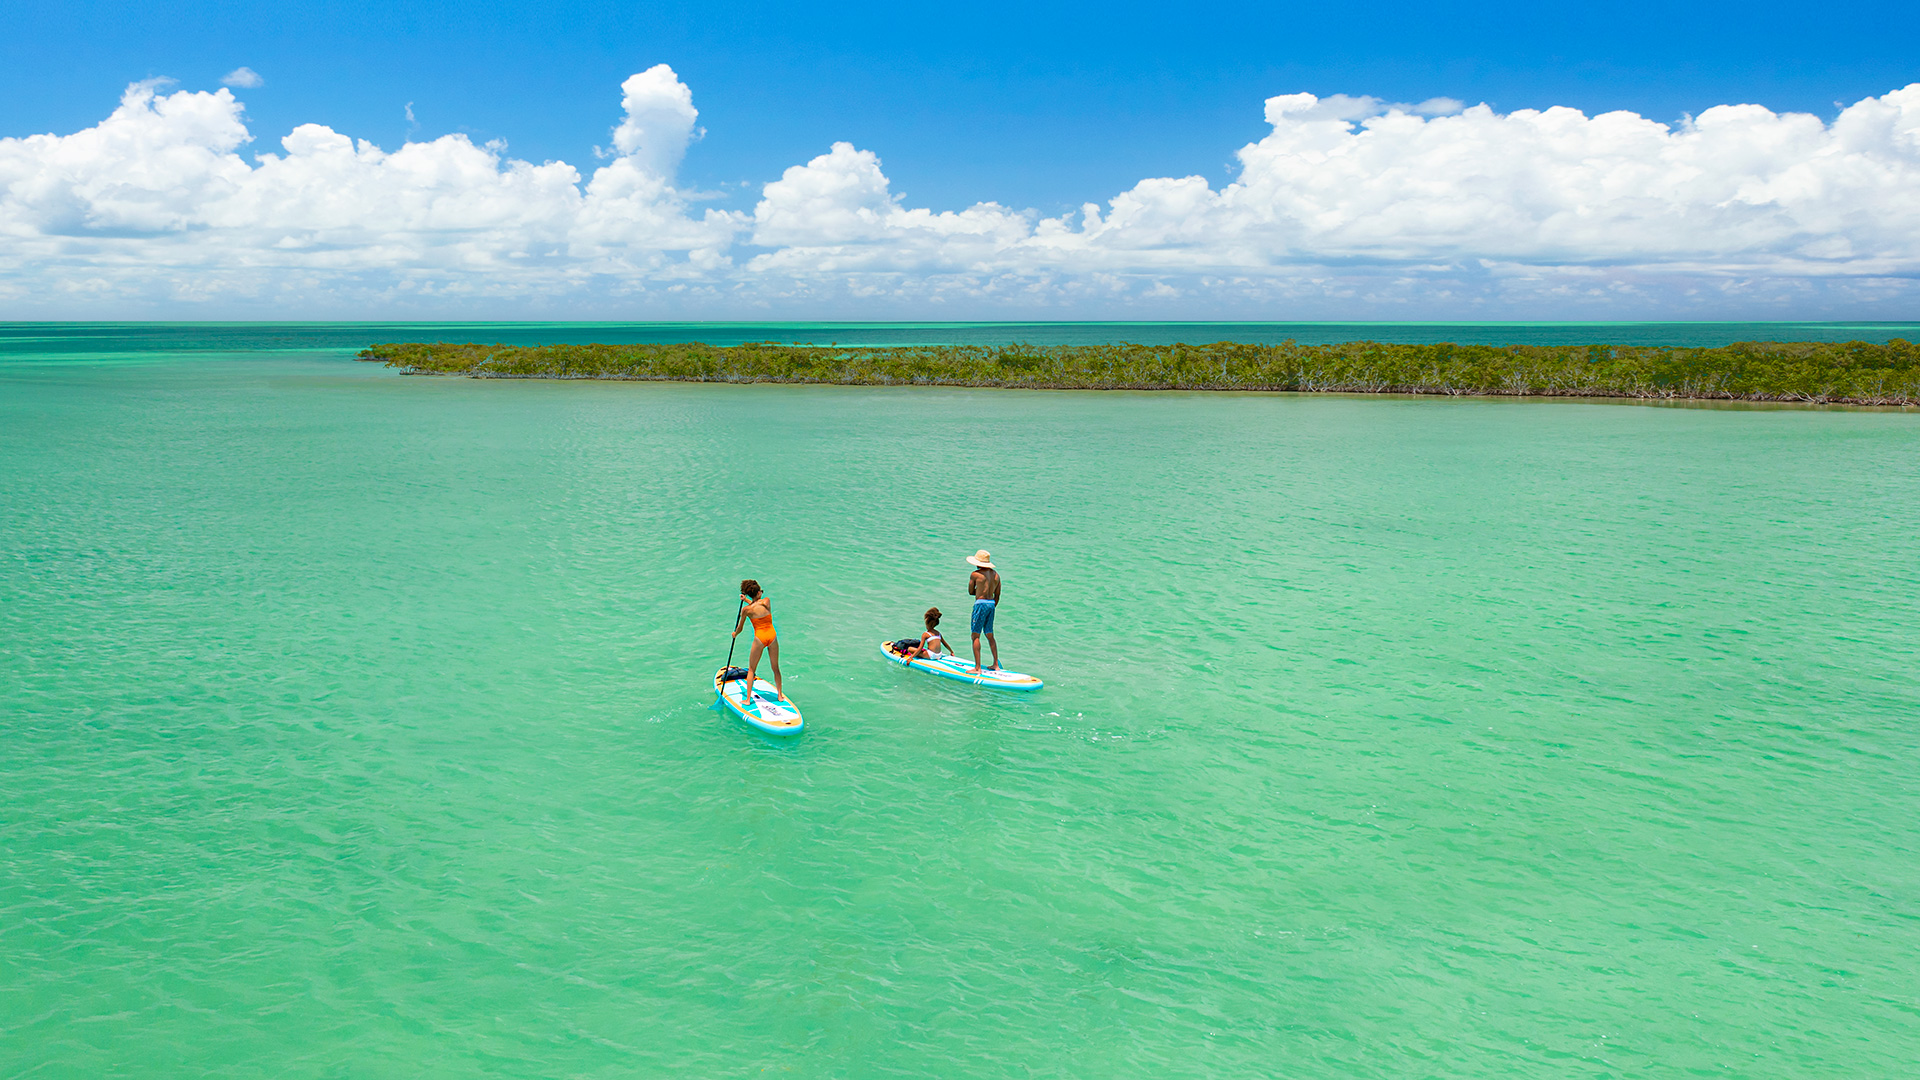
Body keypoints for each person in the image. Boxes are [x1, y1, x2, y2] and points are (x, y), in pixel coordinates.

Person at [731, 579, 782, 697]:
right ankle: (779, 695)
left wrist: (735, 634)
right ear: (758, 593)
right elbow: (758, 604)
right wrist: (747, 600)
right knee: (775, 668)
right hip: (772, 636)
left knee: (751, 670)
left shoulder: (746, 610)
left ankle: (748, 699)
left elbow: (740, 627)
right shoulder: (766, 602)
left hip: (760, 638)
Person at [965, 549, 1002, 673]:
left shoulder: (975, 574)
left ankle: (977, 668)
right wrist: (991, 605)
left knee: (975, 635)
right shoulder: (996, 575)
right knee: (990, 634)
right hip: (991, 604)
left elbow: (970, 591)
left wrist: (980, 592)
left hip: (980, 604)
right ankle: (996, 664)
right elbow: (997, 595)